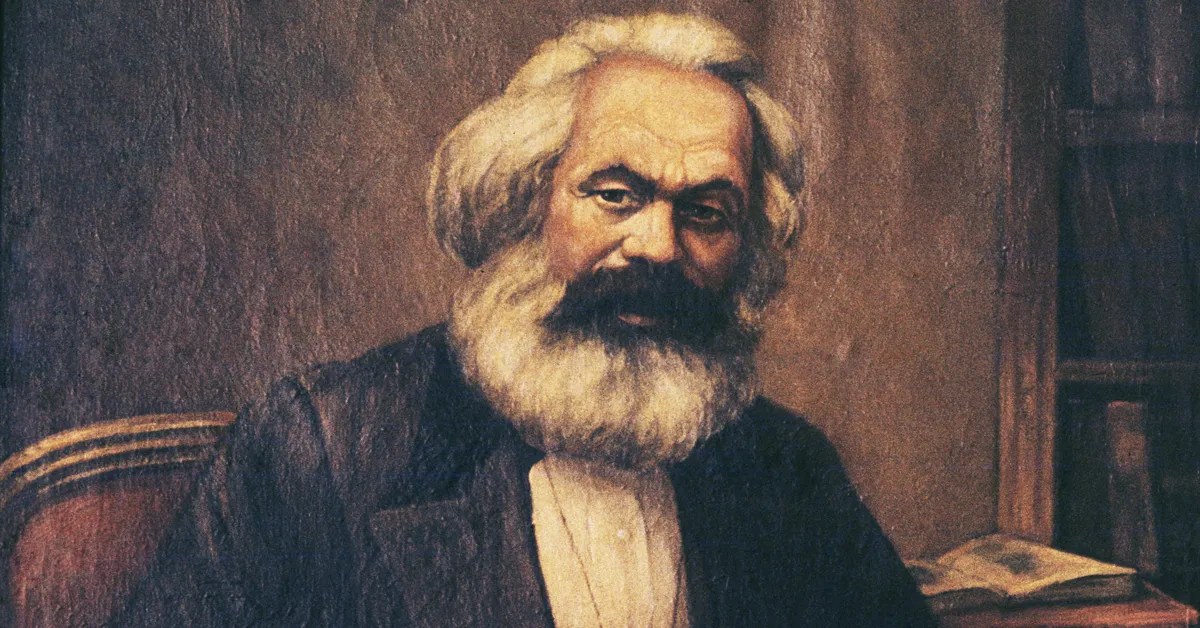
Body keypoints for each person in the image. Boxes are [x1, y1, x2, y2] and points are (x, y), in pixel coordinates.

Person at [117, 13, 933, 627]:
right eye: (615, 194)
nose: (658, 245)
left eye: (706, 212)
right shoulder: (324, 446)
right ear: (525, 198)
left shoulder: (789, 473)